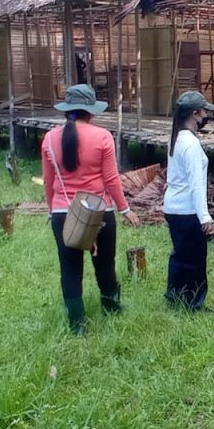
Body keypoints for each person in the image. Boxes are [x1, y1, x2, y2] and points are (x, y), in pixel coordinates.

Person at [42, 84, 141, 335]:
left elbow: (48, 181)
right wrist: (125, 209)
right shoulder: (102, 136)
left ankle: (77, 325)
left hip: (63, 213)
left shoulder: (50, 138)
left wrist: (51, 209)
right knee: (105, 264)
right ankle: (111, 307)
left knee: (70, 269)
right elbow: (111, 179)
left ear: (67, 110)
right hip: (99, 213)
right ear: (91, 111)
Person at [163, 90, 214, 311]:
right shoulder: (191, 144)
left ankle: (174, 297)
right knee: (195, 260)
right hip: (187, 210)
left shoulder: (176, 137)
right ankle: (195, 304)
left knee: (179, 255)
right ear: (195, 113)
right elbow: (196, 184)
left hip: (173, 206)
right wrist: (204, 216)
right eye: (205, 111)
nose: (207, 115)